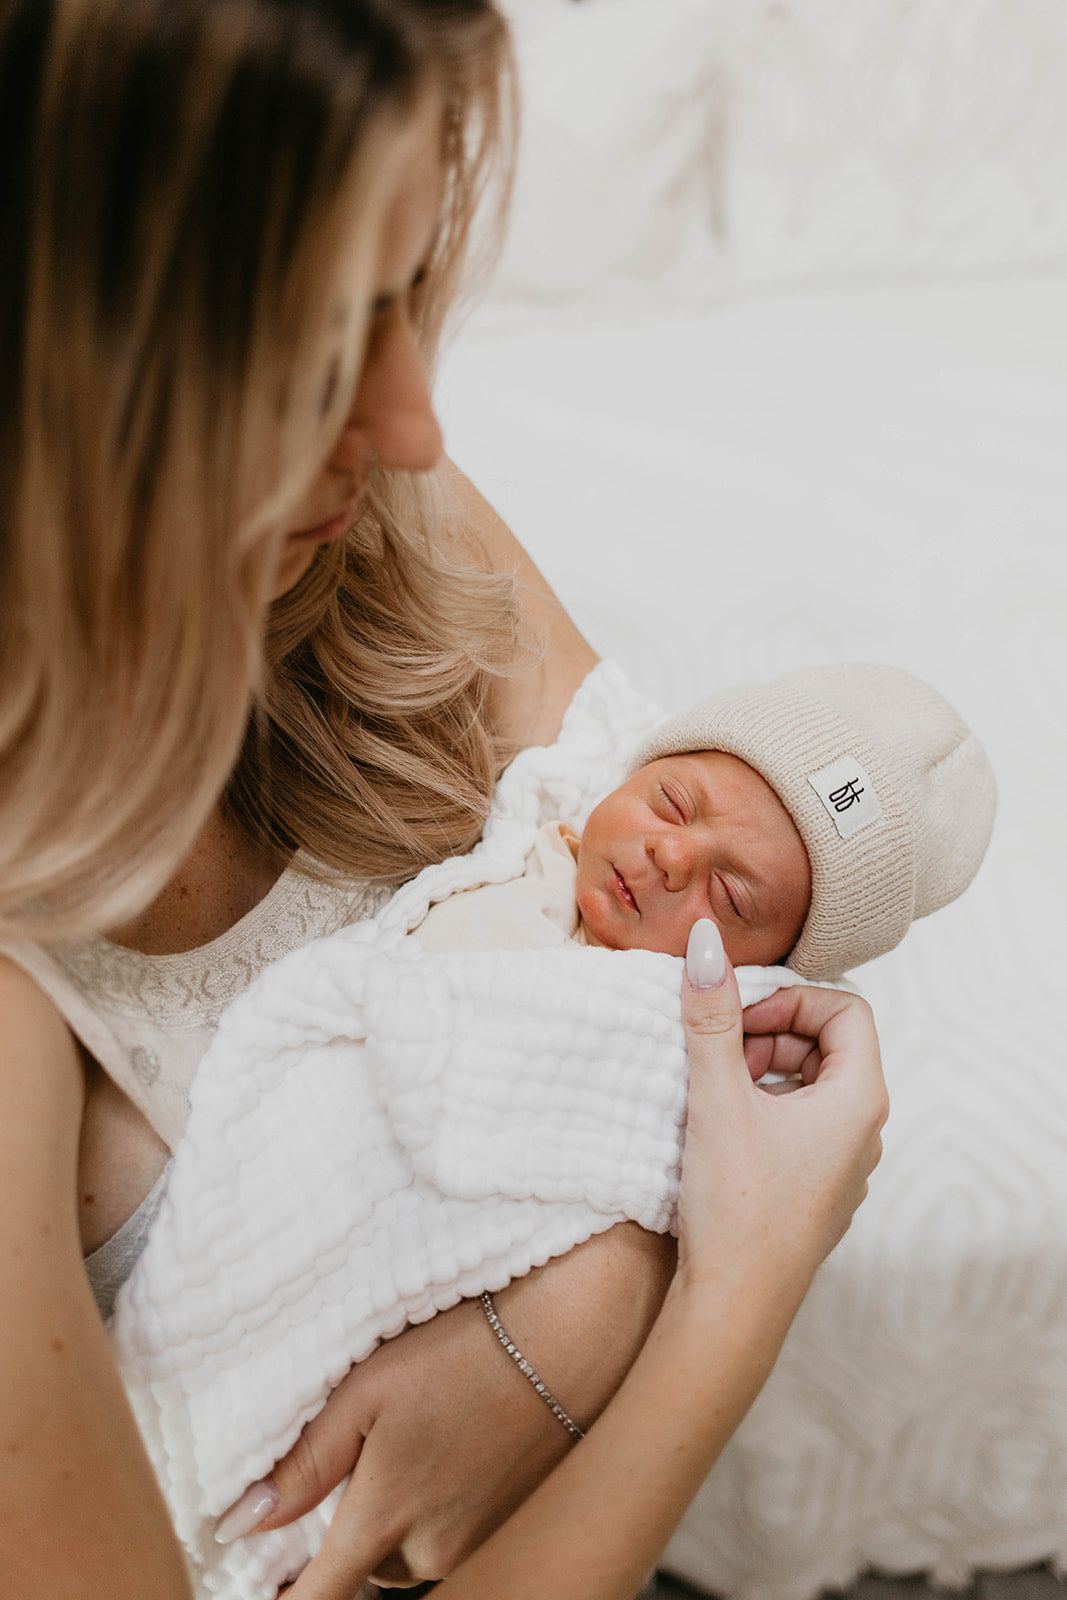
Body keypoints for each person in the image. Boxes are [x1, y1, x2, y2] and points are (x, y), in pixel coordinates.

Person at [0, 4, 888, 1598]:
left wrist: (582, 1303)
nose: (414, 423)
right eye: (317, 339)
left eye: (406, 293)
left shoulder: (371, 516)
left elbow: (754, 901)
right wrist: (729, 1302)